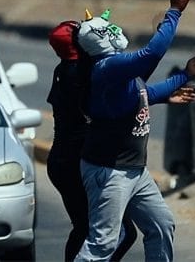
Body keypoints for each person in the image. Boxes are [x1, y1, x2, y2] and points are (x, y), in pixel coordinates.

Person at [75, 0, 195, 261]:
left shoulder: (116, 71)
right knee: (102, 246)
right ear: (103, 36)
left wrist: (184, 75)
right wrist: (174, 11)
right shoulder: (107, 67)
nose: (117, 30)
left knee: (161, 225)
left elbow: (142, 93)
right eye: (110, 28)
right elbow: (151, 55)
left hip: (135, 171)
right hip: (110, 172)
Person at [46, 20, 138, 261]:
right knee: (121, 232)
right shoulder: (83, 72)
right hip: (75, 163)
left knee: (86, 229)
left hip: (62, 161)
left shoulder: (64, 68)